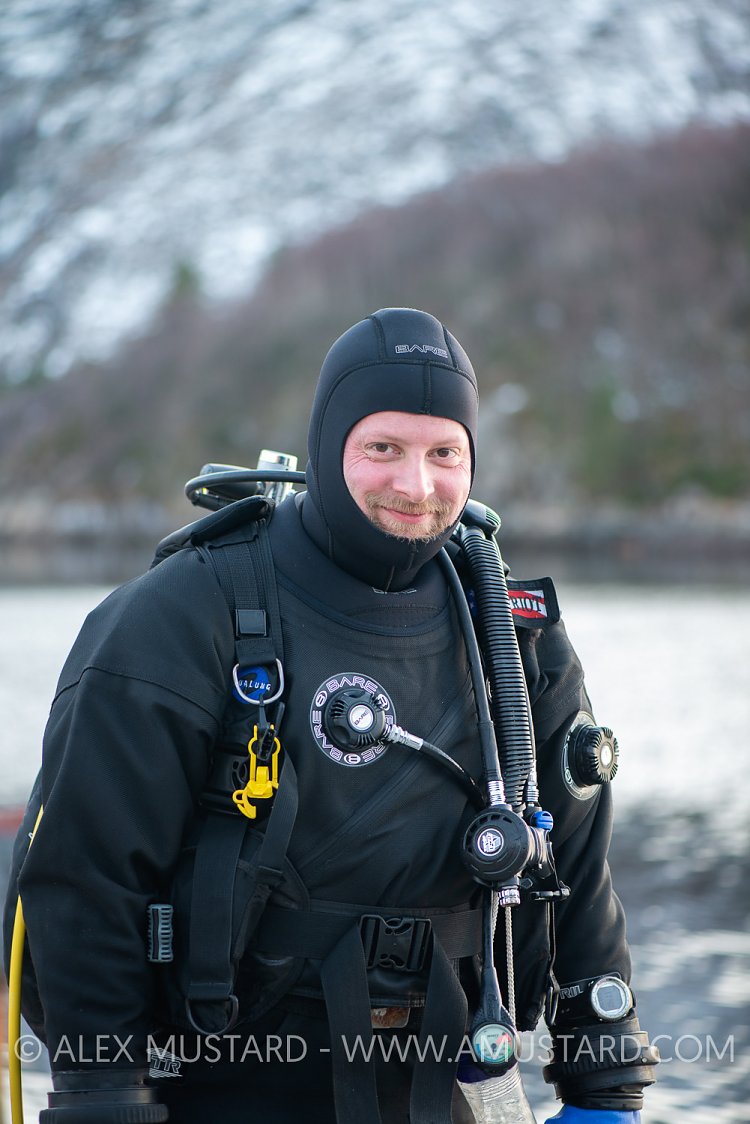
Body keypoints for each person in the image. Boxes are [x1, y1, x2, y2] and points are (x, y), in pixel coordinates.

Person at [11, 308, 657, 1123]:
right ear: (327, 445)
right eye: (382, 448)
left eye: (444, 453)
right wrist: (101, 1094)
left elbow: (577, 865)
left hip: (452, 1081)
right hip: (226, 1081)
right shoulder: (185, 613)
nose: (416, 486)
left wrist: (605, 1084)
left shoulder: (513, 635)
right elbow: (87, 876)